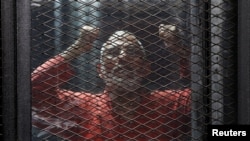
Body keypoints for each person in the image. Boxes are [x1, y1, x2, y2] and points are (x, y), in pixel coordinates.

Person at [32, 25, 191, 141]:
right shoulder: (82, 107)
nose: (122, 57)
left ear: (145, 68)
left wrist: (180, 50)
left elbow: (211, 93)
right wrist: (77, 48)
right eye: (113, 53)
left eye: (132, 52)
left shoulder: (170, 103)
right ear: (100, 70)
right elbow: (31, 92)